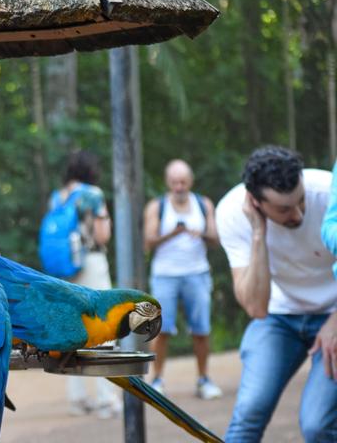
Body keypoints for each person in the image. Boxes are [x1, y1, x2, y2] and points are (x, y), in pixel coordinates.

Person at [217, 145, 337, 442]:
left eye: (301, 201)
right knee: (249, 412)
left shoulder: (328, 192)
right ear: (255, 202)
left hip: (334, 314)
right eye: (283, 209)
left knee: (317, 424)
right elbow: (256, 308)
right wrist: (259, 233)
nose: (296, 214)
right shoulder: (231, 213)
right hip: (279, 317)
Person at [143, 159, 222, 400]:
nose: (179, 186)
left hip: (197, 273)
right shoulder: (157, 207)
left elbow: (216, 239)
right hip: (165, 275)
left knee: (201, 329)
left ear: (190, 181)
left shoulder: (203, 204)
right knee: (160, 330)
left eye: (183, 181)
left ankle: (203, 379)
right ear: (168, 182)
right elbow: (148, 243)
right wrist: (173, 233)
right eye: (175, 182)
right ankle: (157, 380)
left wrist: (202, 233)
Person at [50, 150, 120, 419]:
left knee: (72, 330)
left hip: (64, 268)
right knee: (102, 327)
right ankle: (106, 399)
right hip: (89, 263)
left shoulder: (57, 196)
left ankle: (77, 398)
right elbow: (102, 236)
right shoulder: (93, 194)